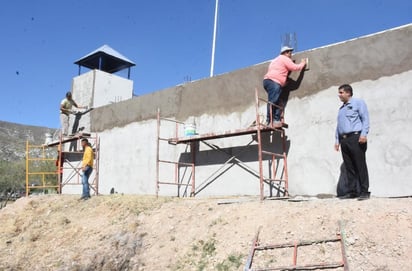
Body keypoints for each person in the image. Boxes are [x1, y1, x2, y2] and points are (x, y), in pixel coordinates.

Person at [334, 84, 370, 200]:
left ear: (348, 93)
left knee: (360, 165)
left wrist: (363, 134)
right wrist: (337, 140)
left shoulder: (358, 103)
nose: (339, 95)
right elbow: (338, 126)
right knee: (349, 166)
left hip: (356, 137)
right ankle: (352, 191)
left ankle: (364, 191)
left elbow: (365, 119)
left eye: (341, 92)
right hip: (344, 140)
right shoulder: (341, 109)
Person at [263, 46, 306, 127]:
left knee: (276, 101)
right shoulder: (284, 58)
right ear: (285, 52)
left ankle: (273, 119)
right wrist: (303, 63)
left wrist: (282, 82)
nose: (291, 54)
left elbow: (277, 71)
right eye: (290, 52)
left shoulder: (275, 60)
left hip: (267, 81)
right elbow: (295, 67)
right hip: (274, 82)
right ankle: (271, 120)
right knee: (273, 101)